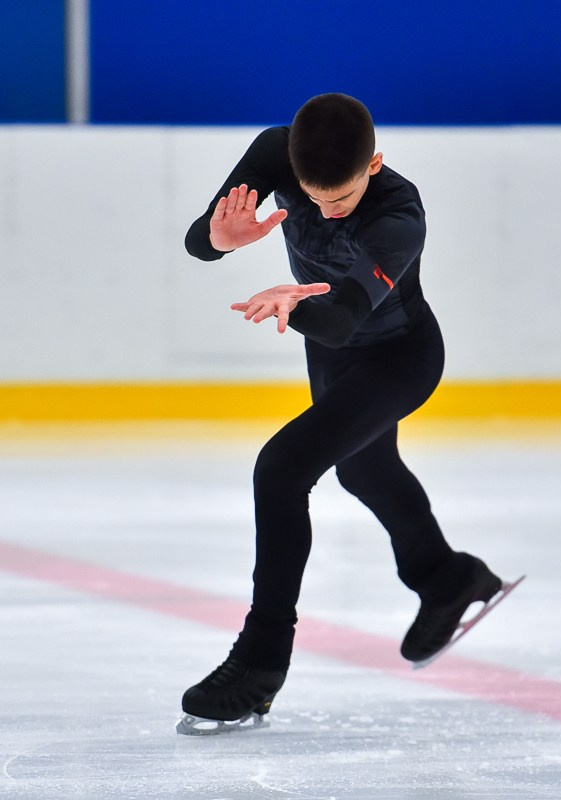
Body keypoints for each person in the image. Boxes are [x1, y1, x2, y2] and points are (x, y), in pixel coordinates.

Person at [179, 93, 502, 731]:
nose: (327, 212)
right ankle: (446, 577)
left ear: (374, 164)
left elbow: (339, 319)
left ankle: (261, 661)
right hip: (334, 360)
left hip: (398, 358)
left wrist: (292, 303)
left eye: (342, 200)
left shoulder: (398, 214)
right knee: (362, 471)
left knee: (280, 469)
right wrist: (217, 241)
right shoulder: (276, 150)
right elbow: (199, 240)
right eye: (313, 198)